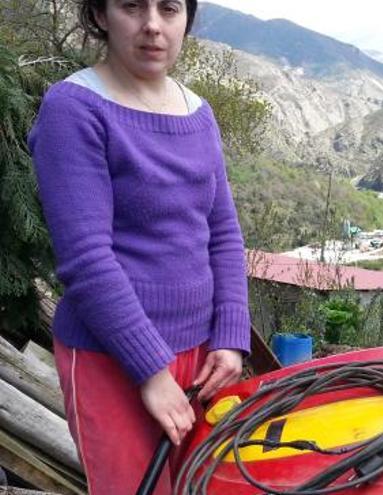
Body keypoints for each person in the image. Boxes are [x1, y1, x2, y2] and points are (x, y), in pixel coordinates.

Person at [28, 0, 251, 493]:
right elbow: (87, 259)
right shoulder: (73, 109)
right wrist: (151, 372)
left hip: (202, 356)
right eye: (132, 6)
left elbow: (224, 232)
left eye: (169, 9)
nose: (153, 25)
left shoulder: (199, 112)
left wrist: (231, 336)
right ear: (102, 15)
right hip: (114, 359)